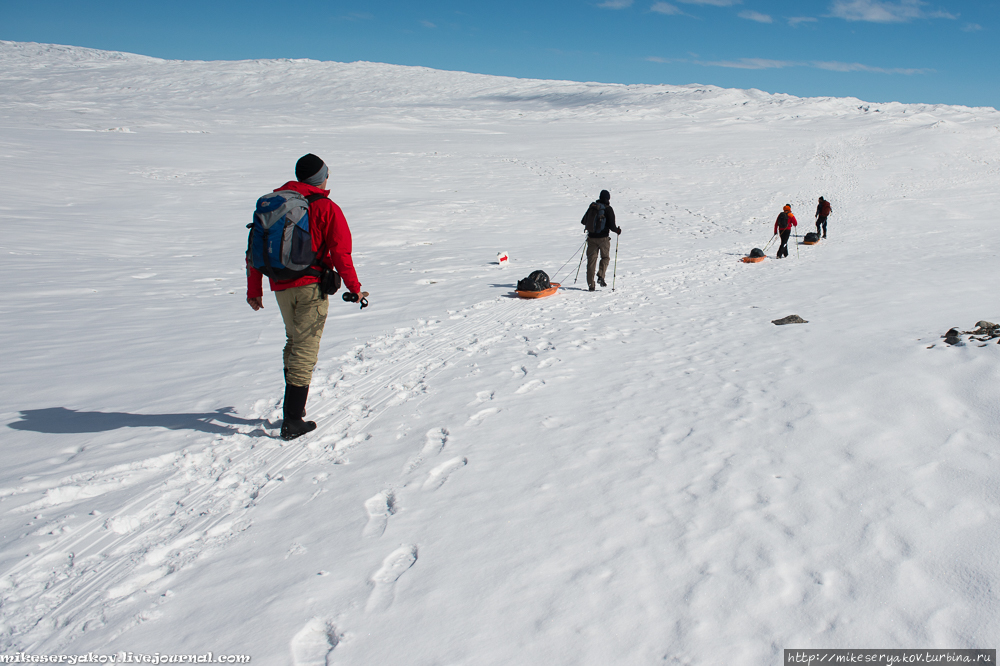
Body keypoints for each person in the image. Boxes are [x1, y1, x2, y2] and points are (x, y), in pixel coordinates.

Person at [247, 154, 363, 440]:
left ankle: (291, 412)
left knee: (294, 340)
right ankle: (293, 420)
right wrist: (354, 287)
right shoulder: (325, 207)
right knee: (305, 348)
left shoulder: (274, 204)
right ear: (321, 177)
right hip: (310, 286)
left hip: (280, 285)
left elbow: (253, 252)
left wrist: (254, 289)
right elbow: (340, 252)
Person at [580, 190, 622, 291]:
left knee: (591, 262)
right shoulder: (608, 209)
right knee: (605, 258)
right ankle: (601, 276)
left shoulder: (593, 207)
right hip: (603, 239)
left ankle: (591, 284)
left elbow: (583, 221)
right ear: (608, 198)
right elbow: (612, 226)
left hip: (591, 238)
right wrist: (618, 231)